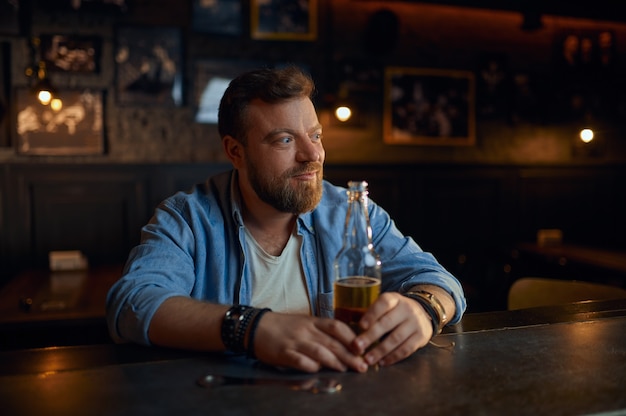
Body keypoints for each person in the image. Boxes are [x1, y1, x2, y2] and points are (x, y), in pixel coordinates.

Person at [106, 66, 466, 374]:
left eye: (316, 135)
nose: (312, 155)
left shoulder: (352, 212)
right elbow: (134, 304)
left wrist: (425, 310)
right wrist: (252, 328)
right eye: (284, 140)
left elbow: (437, 280)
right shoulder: (187, 218)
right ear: (236, 151)